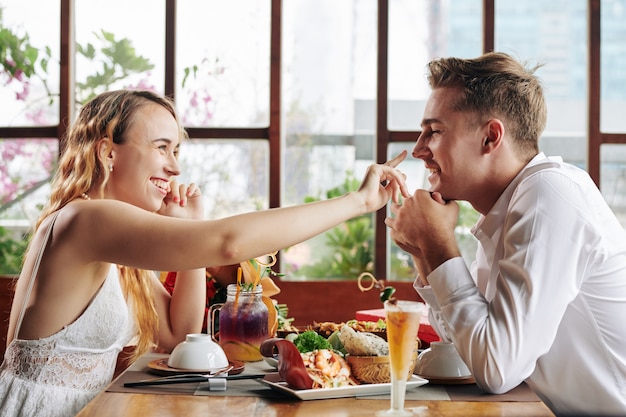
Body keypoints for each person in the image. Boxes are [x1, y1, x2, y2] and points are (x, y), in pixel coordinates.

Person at [0, 89, 409, 417]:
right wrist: (357, 202)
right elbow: (228, 242)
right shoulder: (87, 219)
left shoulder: (114, 245)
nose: (175, 168)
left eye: (176, 151)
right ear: (109, 153)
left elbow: (178, 335)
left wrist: (188, 226)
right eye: (162, 147)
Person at [386, 52, 626, 417]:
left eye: (434, 131)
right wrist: (424, 253)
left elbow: (497, 369)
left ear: (490, 137)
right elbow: (467, 353)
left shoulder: (548, 194)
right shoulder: (507, 210)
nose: (419, 150)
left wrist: (437, 243)